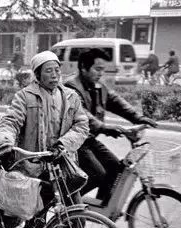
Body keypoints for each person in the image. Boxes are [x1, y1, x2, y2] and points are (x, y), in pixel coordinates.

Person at [0, 51, 90, 228]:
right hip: (35, 165)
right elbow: (10, 122)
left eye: (57, 69)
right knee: (37, 217)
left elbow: (82, 126)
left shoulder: (71, 97)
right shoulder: (25, 97)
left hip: (63, 165)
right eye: (49, 70)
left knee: (77, 216)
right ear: (37, 75)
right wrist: (6, 141)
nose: (55, 74)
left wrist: (64, 144)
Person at [64, 48, 157, 204]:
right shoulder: (71, 87)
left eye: (103, 70)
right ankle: (69, 202)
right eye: (97, 69)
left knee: (115, 167)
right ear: (83, 68)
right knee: (98, 174)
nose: (101, 73)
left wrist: (138, 118)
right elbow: (83, 115)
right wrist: (104, 127)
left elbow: (116, 101)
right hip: (72, 143)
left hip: (88, 140)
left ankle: (101, 208)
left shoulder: (98, 86)